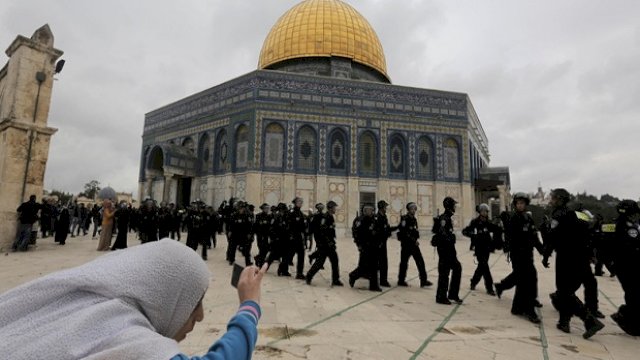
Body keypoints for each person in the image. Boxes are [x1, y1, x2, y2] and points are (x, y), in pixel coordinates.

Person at [0, 239, 267, 360]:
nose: (200, 316)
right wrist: (249, 307)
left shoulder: (78, 306)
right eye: (193, 302)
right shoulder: (125, 343)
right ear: (166, 297)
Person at [541, 188, 604, 339]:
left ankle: (589, 320)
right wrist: (591, 254)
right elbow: (588, 234)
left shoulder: (558, 214)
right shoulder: (579, 215)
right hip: (581, 257)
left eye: (554, 198)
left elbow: (552, 236)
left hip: (566, 257)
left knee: (564, 291)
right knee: (567, 290)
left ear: (561, 200)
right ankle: (564, 321)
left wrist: (546, 255)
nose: (552, 200)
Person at [494, 193, 542, 323]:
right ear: (515, 205)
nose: (520, 205)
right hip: (518, 255)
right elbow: (509, 236)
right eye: (518, 203)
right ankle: (529, 310)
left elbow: (534, 236)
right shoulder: (514, 219)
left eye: (522, 203)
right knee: (527, 281)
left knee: (524, 280)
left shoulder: (528, 218)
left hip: (528, 254)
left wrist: (542, 250)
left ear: (526, 204)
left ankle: (517, 307)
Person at [610, 200, 640, 336]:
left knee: (633, 293)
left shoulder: (619, 223)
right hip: (627, 265)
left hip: (625, 264)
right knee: (633, 292)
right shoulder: (625, 226)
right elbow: (631, 245)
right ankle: (626, 317)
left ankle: (629, 317)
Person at [462, 203, 501, 296]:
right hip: (479, 248)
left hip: (487, 248)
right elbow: (465, 231)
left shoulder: (489, 222)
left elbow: (497, 230)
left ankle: (473, 281)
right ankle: (489, 288)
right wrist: (473, 236)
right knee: (485, 267)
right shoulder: (475, 222)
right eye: (483, 211)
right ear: (480, 212)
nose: (485, 213)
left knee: (481, 267)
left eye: (486, 211)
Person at [305, 201, 344, 287]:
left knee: (334, 261)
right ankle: (309, 276)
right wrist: (328, 242)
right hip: (325, 245)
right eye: (334, 207)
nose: (335, 209)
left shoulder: (330, 217)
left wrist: (332, 242)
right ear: (330, 208)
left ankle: (335, 280)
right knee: (320, 262)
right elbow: (322, 232)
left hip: (330, 244)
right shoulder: (325, 217)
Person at [432, 197, 462, 304]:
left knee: (456, 268)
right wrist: (452, 237)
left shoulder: (447, 217)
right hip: (445, 251)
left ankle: (452, 294)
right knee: (444, 273)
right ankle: (441, 297)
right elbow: (443, 235)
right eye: (453, 205)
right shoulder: (444, 219)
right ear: (449, 206)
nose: (455, 207)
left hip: (449, 251)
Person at [349, 205, 382, 291]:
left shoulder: (373, 219)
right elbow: (357, 234)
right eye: (370, 210)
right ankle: (353, 276)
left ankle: (374, 286)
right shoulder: (361, 220)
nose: (372, 211)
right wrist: (359, 245)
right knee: (363, 267)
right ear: (365, 211)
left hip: (373, 246)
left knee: (374, 266)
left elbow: (376, 231)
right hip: (365, 247)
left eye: (372, 210)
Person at [284, 197, 308, 280]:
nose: (301, 203)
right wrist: (290, 236)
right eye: (299, 202)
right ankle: (283, 269)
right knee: (288, 255)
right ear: (295, 203)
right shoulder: (291, 212)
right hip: (292, 238)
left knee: (301, 255)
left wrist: (305, 236)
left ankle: (299, 273)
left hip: (299, 238)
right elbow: (288, 225)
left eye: (301, 202)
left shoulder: (300, 213)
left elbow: (303, 226)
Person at [375, 200, 396, 287]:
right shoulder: (377, 217)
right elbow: (377, 231)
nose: (386, 208)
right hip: (378, 243)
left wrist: (397, 228)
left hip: (383, 242)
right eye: (385, 207)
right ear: (382, 208)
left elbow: (387, 229)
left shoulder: (384, 217)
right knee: (377, 263)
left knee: (383, 262)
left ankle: (383, 280)